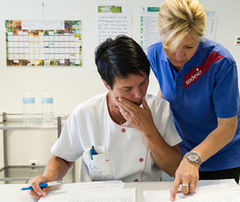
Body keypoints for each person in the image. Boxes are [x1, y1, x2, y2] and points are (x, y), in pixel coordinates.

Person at [28, 35, 183, 200]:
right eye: (127, 88)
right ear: (107, 84)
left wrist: (149, 129)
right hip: (97, 196)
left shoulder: (159, 109)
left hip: (145, 195)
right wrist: (48, 177)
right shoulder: (86, 113)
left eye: (143, 83)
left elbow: (175, 168)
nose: (138, 94)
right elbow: (62, 158)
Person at [147, 0, 240, 200]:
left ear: (201, 37)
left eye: (188, 47)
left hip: (220, 156)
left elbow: (227, 126)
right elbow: (168, 90)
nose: (179, 55)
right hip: (180, 152)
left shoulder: (220, 62)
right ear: (160, 33)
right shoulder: (154, 53)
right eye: (170, 46)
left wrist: (193, 158)